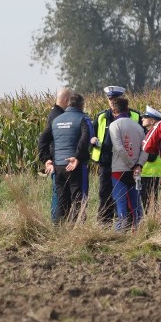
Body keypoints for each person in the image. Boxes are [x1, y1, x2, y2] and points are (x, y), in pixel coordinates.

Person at [90, 86, 143, 224]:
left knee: (128, 197)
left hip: (126, 163)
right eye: (110, 99)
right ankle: (104, 224)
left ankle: (128, 225)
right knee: (105, 194)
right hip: (106, 162)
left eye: (115, 99)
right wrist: (93, 140)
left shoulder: (135, 116)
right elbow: (92, 134)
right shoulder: (101, 116)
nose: (112, 101)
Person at [49, 93, 92, 223]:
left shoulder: (56, 120)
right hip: (75, 166)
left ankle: (60, 229)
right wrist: (77, 157)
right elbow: (86, 138)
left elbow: (50, 142)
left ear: (68, 104)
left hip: (59, 166)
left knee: (62, 199)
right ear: (82, 105)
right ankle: (77, 229)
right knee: (79, 198)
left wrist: (52, 159)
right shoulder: (83, 119)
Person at [108, 98, 149, 232]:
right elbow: (146, 149)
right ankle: (139, 232)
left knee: (121, 205)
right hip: (135, 172)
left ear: (114, 111)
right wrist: (139, 165)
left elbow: (120, 148)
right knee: (136, 205)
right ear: (127, 109)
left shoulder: (115, 125)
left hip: (119, 171)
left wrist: (131, 165)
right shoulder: (138, 126)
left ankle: (119, 234)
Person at [37, 87, 72, 223]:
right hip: (57, 161)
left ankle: (58, 222)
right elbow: (44, 140)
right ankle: (57, 224)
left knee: (59, 193)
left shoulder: (55, 114)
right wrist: (47, 159)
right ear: (65, 100)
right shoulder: (58, 117)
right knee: (59, 194)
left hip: (56, 160)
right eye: (70, 100)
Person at [140, 105, 161, 211]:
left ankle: (151, 221)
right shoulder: (149, 133)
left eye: (145, 117)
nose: (142, 119)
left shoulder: (153, 134)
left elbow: (150, 156)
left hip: (150, 172)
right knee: (149, 201)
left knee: (147, 202)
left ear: (152, 120)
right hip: (150, 172)